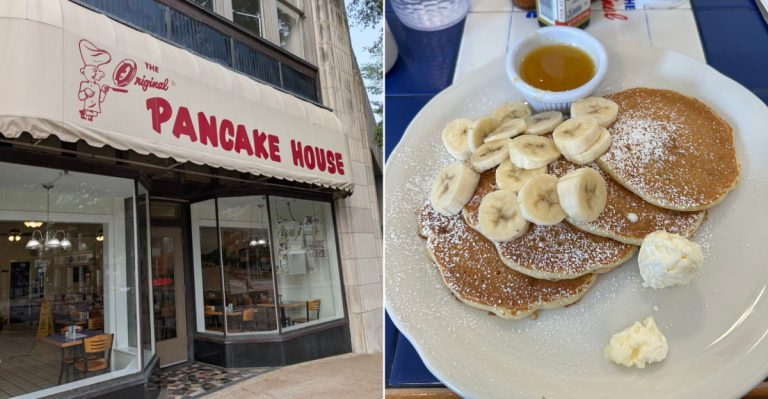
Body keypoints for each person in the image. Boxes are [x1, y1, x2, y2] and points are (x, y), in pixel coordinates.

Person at [77, 39, 112, 121]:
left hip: (95, 108)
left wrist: (103, 91)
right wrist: (86, 93)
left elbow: (100, 99)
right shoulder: (84, 84)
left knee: (94, 114)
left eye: (96, 71)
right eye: (92, 70)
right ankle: (84, 114)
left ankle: (87, 116)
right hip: (88, 107)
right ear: (84, 71)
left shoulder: (97, 86)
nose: (94, 73)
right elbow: (80, 96)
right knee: (88, 113)